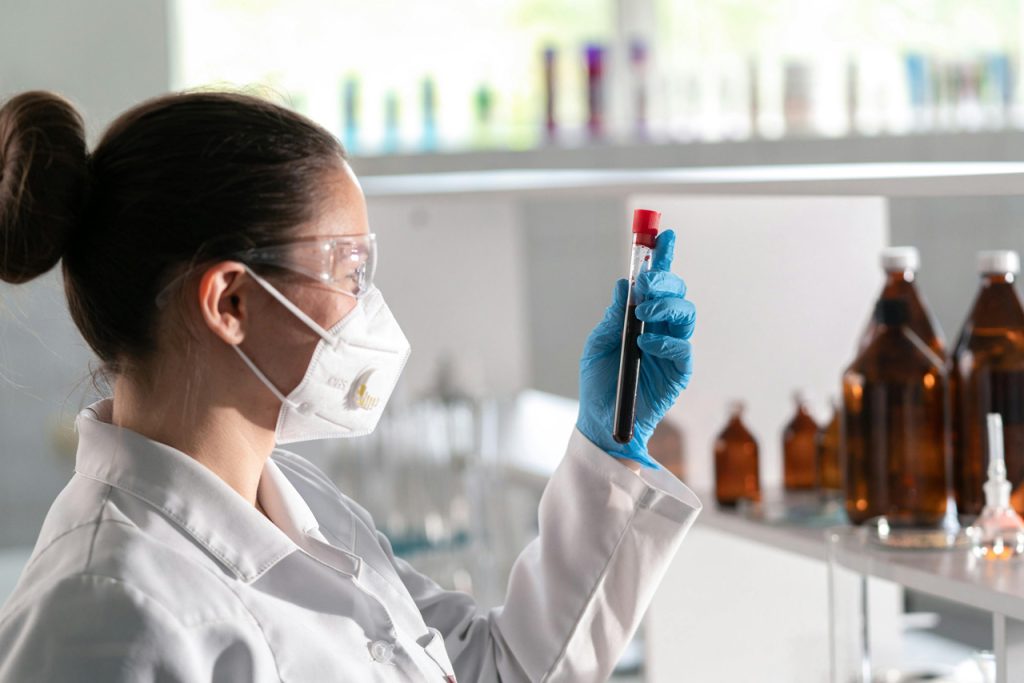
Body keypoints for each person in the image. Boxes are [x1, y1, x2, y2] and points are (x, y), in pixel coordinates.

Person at [0, 89, 700, 682]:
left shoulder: (303, 503)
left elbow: (495, 668)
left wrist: (608, 442)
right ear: (230, 302)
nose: (368, 306)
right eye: (349, 271)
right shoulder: (103, 613)